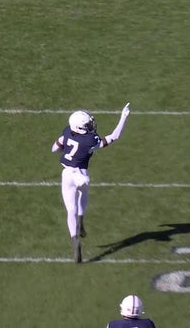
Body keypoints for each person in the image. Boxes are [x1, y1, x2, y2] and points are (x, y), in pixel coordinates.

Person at [51, 103, 130, 263]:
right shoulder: (90, 139)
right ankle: (82, 220)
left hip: (67, 174)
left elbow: (55, 148)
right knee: (83, 195)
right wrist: (123, 117)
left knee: (69, 210)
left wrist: (64, 149)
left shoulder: (67, 131)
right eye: (87, 124)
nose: (90, 126)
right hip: (82, 175)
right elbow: (114, 136)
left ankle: (75, 241)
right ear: (80, 127)